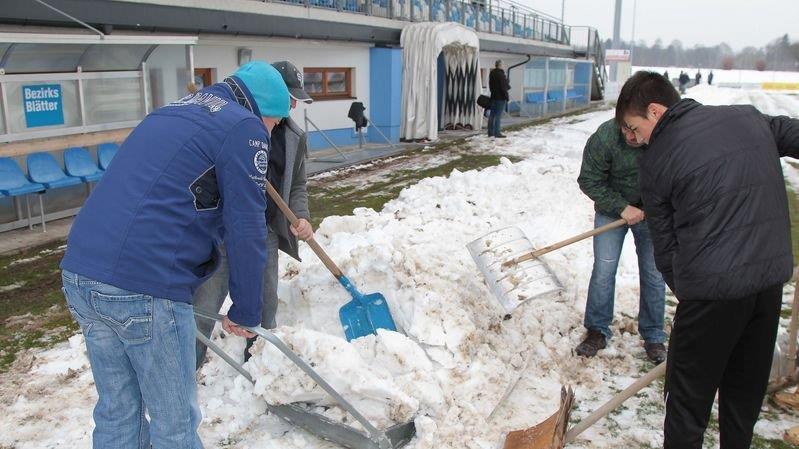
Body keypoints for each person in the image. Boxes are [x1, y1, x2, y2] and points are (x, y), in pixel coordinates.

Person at [60, 61, 290, 448]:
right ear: (264, 110)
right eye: (276, 122)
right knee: (175, 423)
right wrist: (248, 309)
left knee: (118, 412)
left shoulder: (173, 110)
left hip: (83, 274)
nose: (274, 131)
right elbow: (246, 224)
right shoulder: (244, 126)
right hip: (144, 284)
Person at [616, 70, 799, 449]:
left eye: (634, 128)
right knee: (743, 394)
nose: (634, 140)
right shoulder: (746, 118)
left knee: (687, 404)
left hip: (710, 297)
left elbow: (663, 248)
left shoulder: (657, 161)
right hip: (766, 287)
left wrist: (687, 289)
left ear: (655, 111)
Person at [194, 60, 314, 367]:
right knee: (204, 307)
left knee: (263, 309)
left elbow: (298, 184)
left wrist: (301, 216)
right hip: (221, 233)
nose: (294, 104)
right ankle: (185, 370)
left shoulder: (294, 138)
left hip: (266, 232)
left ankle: (260, 367)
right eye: (289, 97)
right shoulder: (229, 127)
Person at [575, 119, 667, 363]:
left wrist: (656, 206)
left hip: (651, 213)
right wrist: (621, 207)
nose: (632, 136)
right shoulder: (606, 136)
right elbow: (589, 179)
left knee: (654, 273)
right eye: (626, 129)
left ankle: (654, 335)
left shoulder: (664, 136)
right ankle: (597, 329)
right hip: (611, 210)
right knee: (604, 269)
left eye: (635, 130)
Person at [488, 59, 509, 138]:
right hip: (500, 98)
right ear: (500, 65)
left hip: (493, 96)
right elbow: (503, 87)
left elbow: (490, 85)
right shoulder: (501, 74)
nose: (503, 65)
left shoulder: (492, 73)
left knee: (492, 115)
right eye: (503, 64)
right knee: (498, 116)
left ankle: (490, 132)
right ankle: (497, 132)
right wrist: (506, 97)